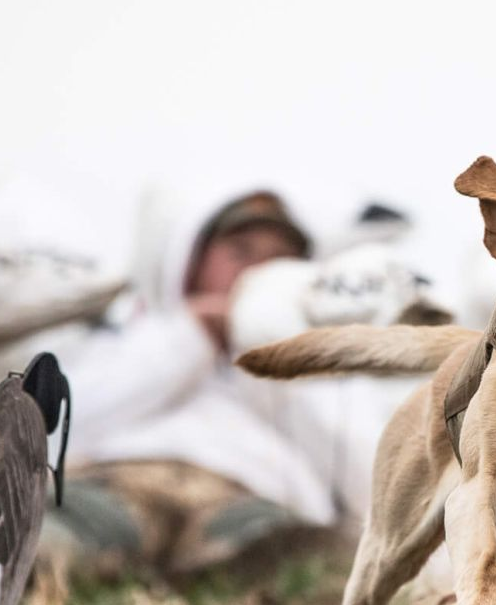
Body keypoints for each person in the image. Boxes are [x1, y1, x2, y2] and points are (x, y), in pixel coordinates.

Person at [48, 189, 337, 582]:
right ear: (192, 262)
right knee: (59, 531)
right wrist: (194, 335)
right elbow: (54, 425)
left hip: (245, 501)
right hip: (113, 482)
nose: (257, 273)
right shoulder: (116, 337)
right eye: (241, 252)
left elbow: (350, 471)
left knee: (293, 555)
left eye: (279, 262)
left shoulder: (319, 374)